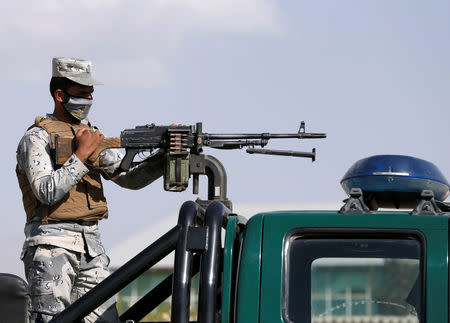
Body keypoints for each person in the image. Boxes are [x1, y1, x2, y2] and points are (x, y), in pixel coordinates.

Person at [16, 57, 165, 322]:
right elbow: (45, 191)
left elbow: (128, 178)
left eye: (90, 94)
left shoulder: (90, 135)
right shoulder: (36, 138)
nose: (88, 100)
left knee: (106, 318)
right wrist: (81, 157)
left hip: (92, 249)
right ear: (60, 95)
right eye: (81, 94)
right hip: (52, 246)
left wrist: (164, 159)